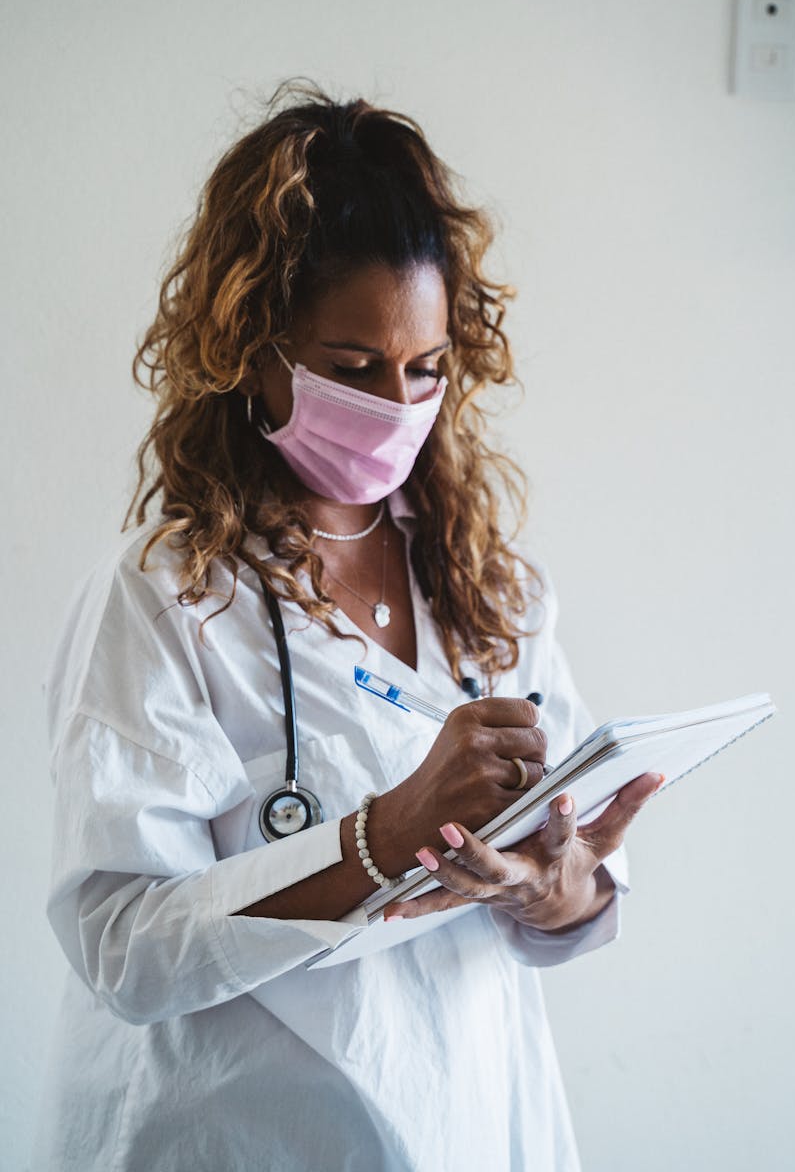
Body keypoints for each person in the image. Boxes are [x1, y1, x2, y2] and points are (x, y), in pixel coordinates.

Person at [34, 81, 661, 1172]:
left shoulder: (488, 587)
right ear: (251, 350)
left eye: (423, 370)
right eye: (350, 370)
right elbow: (123, 948)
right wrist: (386, 832)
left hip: (469, 1120)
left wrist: (551, 886)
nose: (394, 407)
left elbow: (566, 896)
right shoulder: (166, 597)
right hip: (242, 1139)